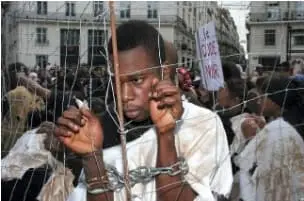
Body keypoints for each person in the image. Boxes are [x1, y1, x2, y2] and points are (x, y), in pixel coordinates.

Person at [54, 20, 232, 201]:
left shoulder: (202, 124)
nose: (124, 96)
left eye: (136, 80)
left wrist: (166, 135)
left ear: (163, 72)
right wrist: (92, 157)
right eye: (117, 81)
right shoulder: (103, 127)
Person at [235, 74, 304, 201]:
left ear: (274, 100)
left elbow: (254, 169)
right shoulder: (290, 122)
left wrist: (249, 139)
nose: (259, 100)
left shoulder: (279, 130)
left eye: (262, 96)